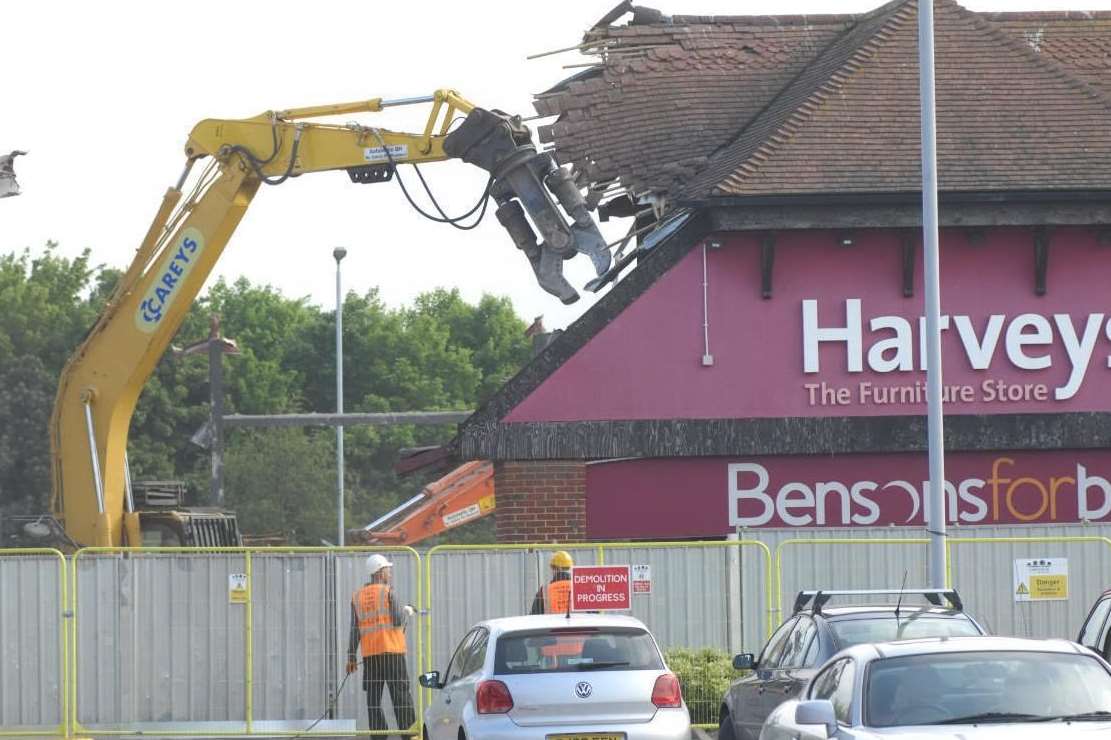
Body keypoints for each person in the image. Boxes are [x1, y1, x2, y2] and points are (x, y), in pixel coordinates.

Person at [346, 554, 415, 734]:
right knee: (400, 695)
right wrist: (407, 610)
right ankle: (409, 734)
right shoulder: (387, 592)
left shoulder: (357, 597)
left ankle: (378, 735)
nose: (389, 573)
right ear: (379, 572)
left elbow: (355, 629)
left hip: (371, 657)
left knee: (373, 700)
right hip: (392, 653)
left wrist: (351, 656)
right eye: (387, 570)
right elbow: (398, 620)